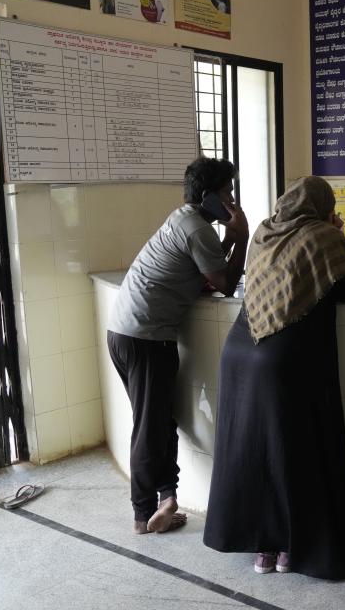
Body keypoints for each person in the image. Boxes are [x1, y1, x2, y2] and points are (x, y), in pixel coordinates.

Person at [203, 177, 345, 579]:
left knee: (252, 452)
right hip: (287, 354)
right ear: (322, 205)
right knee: (295, 451)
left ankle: (262, 548)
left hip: (240, 350)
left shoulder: (265, 230)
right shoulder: (322, 235)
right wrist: (337, 234)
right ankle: (293, 549)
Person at [107, 157, 248, 535]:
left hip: (128, 332)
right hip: (146, 337)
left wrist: (231, 237)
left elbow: (209, 266)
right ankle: (142, 514)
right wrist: (243, 235)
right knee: (149, 427)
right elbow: (224, 283)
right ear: (208, 197)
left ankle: (167, 501)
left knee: (159, 420)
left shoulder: (186, 219)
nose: (232, 198)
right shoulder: (196, 229)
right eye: (226, 192)